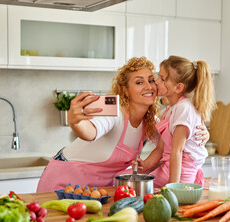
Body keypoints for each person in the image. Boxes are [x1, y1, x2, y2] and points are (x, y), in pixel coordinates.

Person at [37, 56, 209, 192]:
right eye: (139, 82)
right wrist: (75, 122)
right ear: (125, 89)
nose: (149, 86)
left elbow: (168, 146)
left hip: (98, 190)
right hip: (64, 181)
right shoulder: (115, 110)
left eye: (151, 80)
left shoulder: (151, 121)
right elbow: (90, 132)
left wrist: (201, 134)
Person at [138, 56, 216, 188]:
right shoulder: (170, 110)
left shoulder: (183, 108)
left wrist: (172, 188)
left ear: (178, 88)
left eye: (162, 79)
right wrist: (145, 165)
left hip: (181, 174)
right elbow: (160, 149)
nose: (156, 82)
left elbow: (177, 151)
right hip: (170, 167)